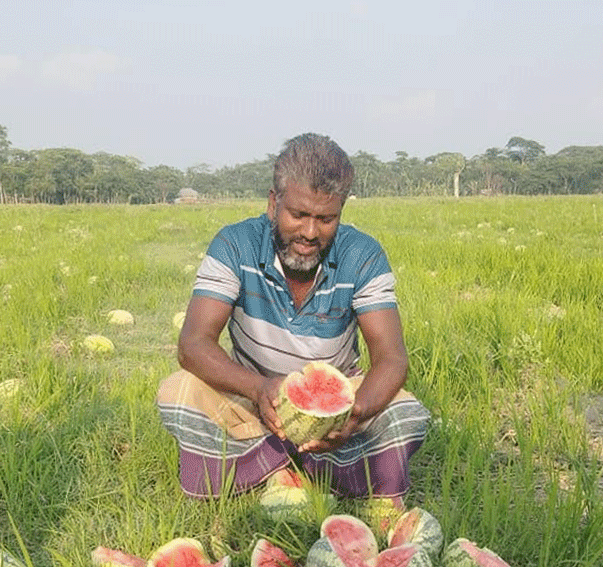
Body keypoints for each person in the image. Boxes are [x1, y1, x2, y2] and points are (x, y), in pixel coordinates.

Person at [156, 133, 429, 512]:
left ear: (341, 212)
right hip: (249, 399)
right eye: (298, 215)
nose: (310, 233)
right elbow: (194, 344)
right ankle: (312, 469)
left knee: (405, 414)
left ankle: (270, 465)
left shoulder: (363, 255)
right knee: (177, 393)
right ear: (273, 203)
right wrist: (258, 387)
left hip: (338, 416)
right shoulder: (234, 245)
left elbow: (392, 359)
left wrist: (355, 414)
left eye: (326, 218)